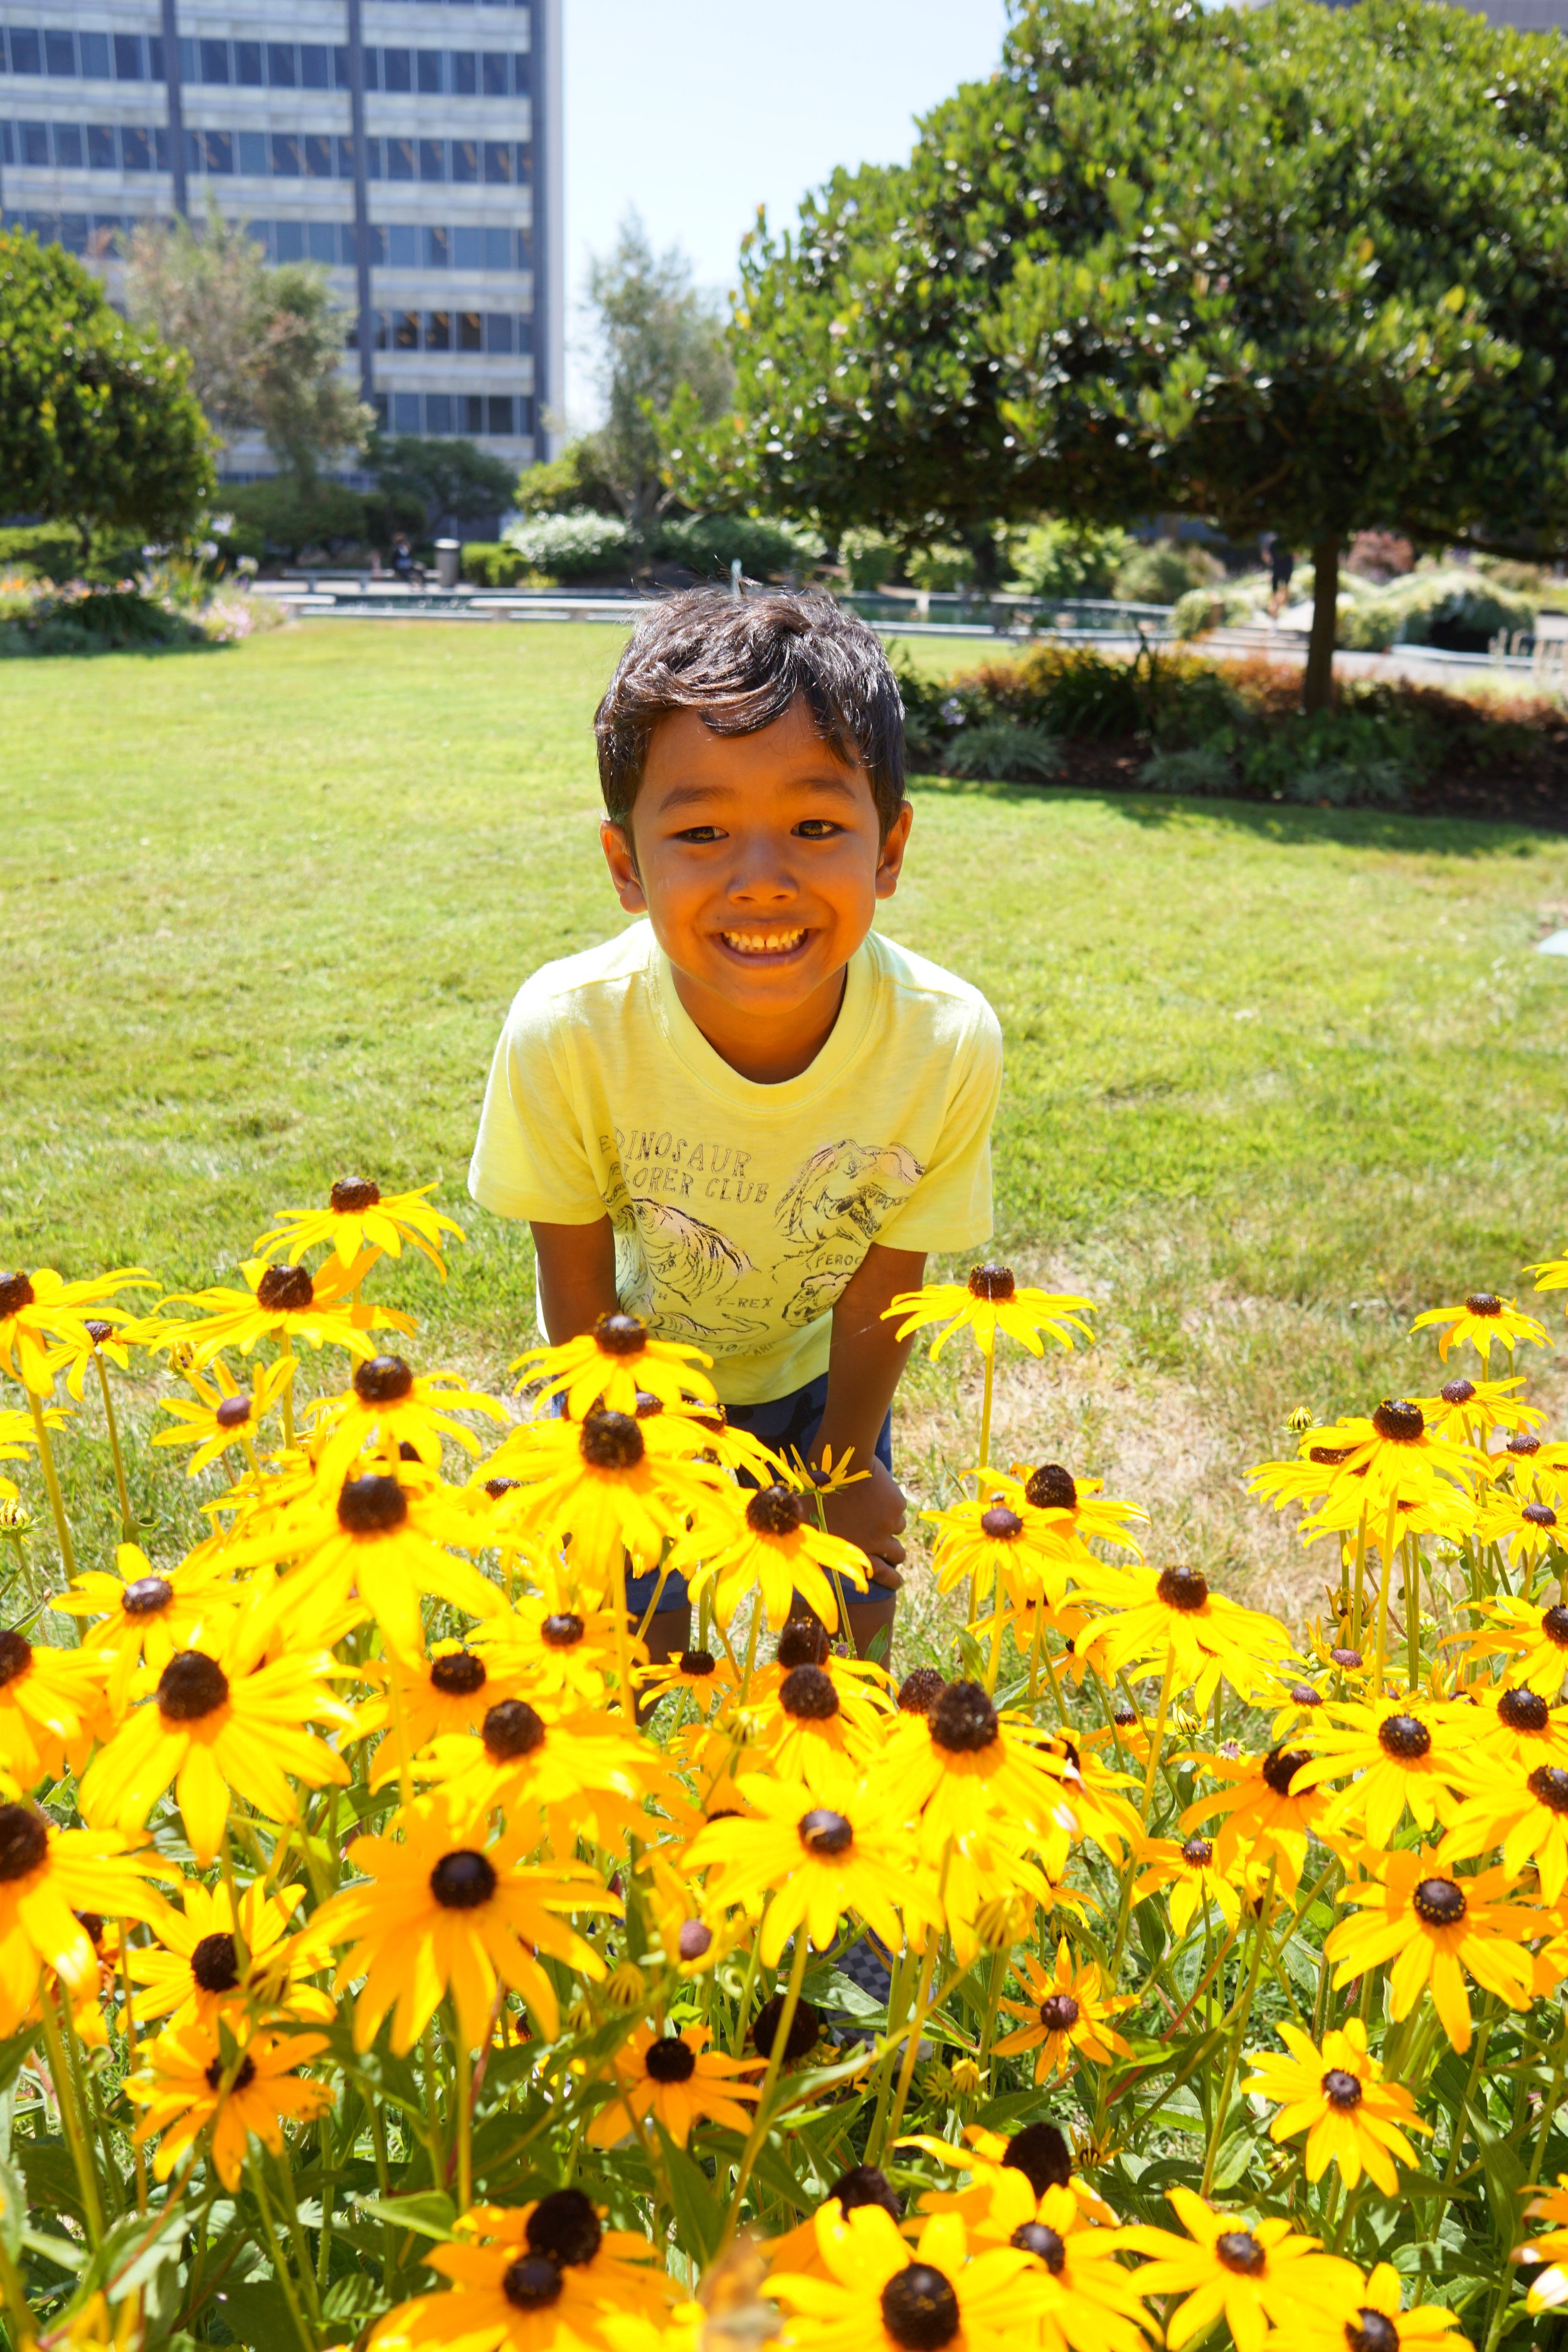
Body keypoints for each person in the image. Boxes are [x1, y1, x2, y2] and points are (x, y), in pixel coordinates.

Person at [469, 589, 1002, 1664]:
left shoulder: (943, 1040)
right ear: (628, 867)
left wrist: (847, 1466)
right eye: (703, 832)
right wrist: (643, 1455)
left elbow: (886, 1278)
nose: (763, 882)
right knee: (646, 1649)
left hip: (828, 1378)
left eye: (816, 826)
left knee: (847, 1631)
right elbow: (575, 1294)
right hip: (640, 1390)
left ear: (889, 849)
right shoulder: (568, 1030)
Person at [1263, 531, 1295, 619]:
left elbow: (1266, 557)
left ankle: (1275, 609)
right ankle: (1275, 610)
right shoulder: (1289, 544)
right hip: (1286, 570)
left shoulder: (1274, 544)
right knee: (1282, 591)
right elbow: (1296, 556)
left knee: (1278, 592)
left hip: (1277, 570)